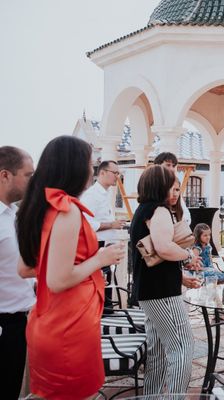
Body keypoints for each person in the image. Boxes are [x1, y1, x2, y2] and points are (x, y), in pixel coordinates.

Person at [16, 136, 125, 399]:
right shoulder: (67, 210)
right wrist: (100, 259)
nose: (91, 169)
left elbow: (26, 268)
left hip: (48, 317)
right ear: (74, 167)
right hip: (69, 325)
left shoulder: (38, 208)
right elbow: (58, 279)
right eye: (89, 163)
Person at [130, 165, 200, 394]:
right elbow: (163, 248)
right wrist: (188, 254)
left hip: (148, 291)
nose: (174, 191)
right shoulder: (159, 211)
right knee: (183, 346)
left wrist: (180, 275)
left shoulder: (142, 210)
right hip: (161, 292)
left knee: (158, 353)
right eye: (171, 185)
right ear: (160, 186)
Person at [0, 146, 35, 400]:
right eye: (28, 175)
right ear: (5, 176)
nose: (33, 181)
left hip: (19, 322)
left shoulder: (12, 214)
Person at [80, 160, 127, 247]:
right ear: (102, 173)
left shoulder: (105, 193)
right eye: (114, 173)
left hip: (106, 244)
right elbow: (87, 223)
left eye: (118, 173)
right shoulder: (91, 195)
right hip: (97, 244)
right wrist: (112, 225)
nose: (117, 177)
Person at [154, 152, 191, 227]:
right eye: (168, 165)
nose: (172, 168)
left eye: (174, 166)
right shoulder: (153, 187)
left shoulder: (175, 185)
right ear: (157, 166)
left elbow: (185, 216)